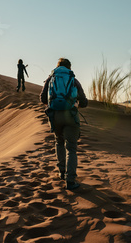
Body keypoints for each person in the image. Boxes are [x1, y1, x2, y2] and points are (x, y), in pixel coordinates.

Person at [40, 58, 88, 190]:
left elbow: (42, 98)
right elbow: (84, 102)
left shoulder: (51, 79)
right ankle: (70, 181)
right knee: (71, 148)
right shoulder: (73, 79)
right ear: (69, 67)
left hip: (55, 116)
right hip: (71, 117)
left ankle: (61, 172)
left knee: (59, 142)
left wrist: (54, 104)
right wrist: (76, 103)